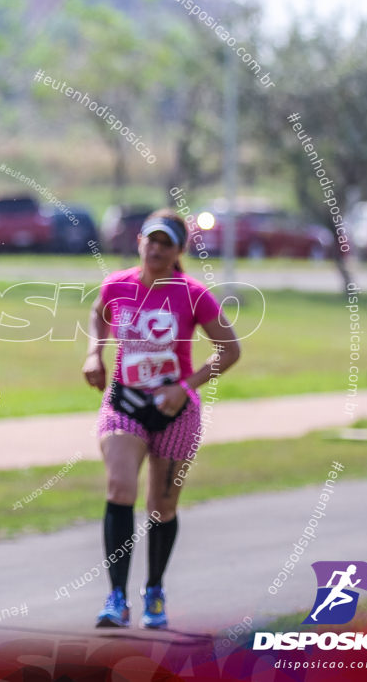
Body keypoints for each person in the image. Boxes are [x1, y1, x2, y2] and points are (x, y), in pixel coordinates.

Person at [82, 208, 240, 629]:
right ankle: (116, 597)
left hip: (174, 411)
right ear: (139, 242)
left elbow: (231, 350)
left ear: (179, 251)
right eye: (150, 240)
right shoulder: (117, 285)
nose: (155, 248)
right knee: (120, 486)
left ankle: (154, 588)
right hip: (125, 403)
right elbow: (99, 314)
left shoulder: (193, 294)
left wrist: (184, 387)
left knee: (161, 506)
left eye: (165, 243)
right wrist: (94, 353)